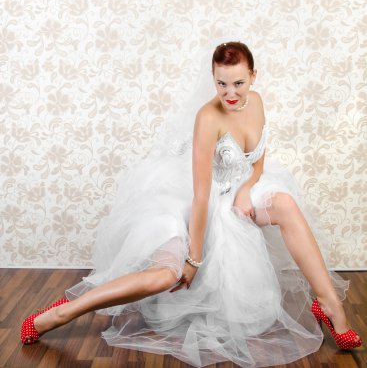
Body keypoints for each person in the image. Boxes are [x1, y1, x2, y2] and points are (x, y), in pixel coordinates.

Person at [21, 42, 361, 367]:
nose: (230, 93)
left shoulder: (255, 102)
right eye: (221, 83)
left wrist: (248, 187)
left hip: (233, 192)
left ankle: (331, 307)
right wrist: (193, 258)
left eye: (239, 83)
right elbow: (201, 196)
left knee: (284, 203)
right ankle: (62, 313)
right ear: (213, 78)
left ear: (253, 76)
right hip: (189, 201)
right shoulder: (208, 118)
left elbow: (257, 158)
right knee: (165, 276)